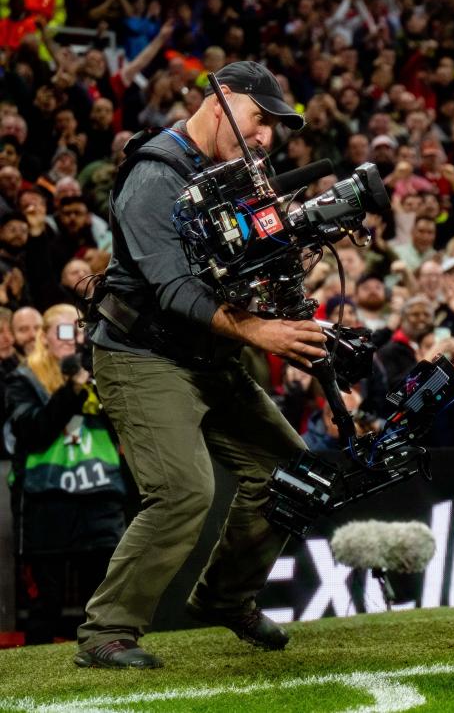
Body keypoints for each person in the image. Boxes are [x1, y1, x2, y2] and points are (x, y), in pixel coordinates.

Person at [75, 61, 328, 668]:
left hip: (208, 356)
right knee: (184, 490)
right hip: (142, 356)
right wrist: (262, 331)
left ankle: (225, 598)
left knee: (290, 471)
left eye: (273, 125)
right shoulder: (154, 176)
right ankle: (106, 632)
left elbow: (243, 265)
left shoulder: (233, 174)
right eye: (258, 119)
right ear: (222, 101)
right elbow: (174, 290)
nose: (266, 136)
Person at [5, 305, 124, 644]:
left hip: (99, 495)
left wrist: (94, 381)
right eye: (66, 331)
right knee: (46, 604)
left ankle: (106, 649)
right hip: (46, 503)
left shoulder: (99, 371)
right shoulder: (23, 379)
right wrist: (71, 389)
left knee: (101, 595)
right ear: (44, 336)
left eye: (80, 329)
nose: (77, 338)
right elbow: (34, 432)